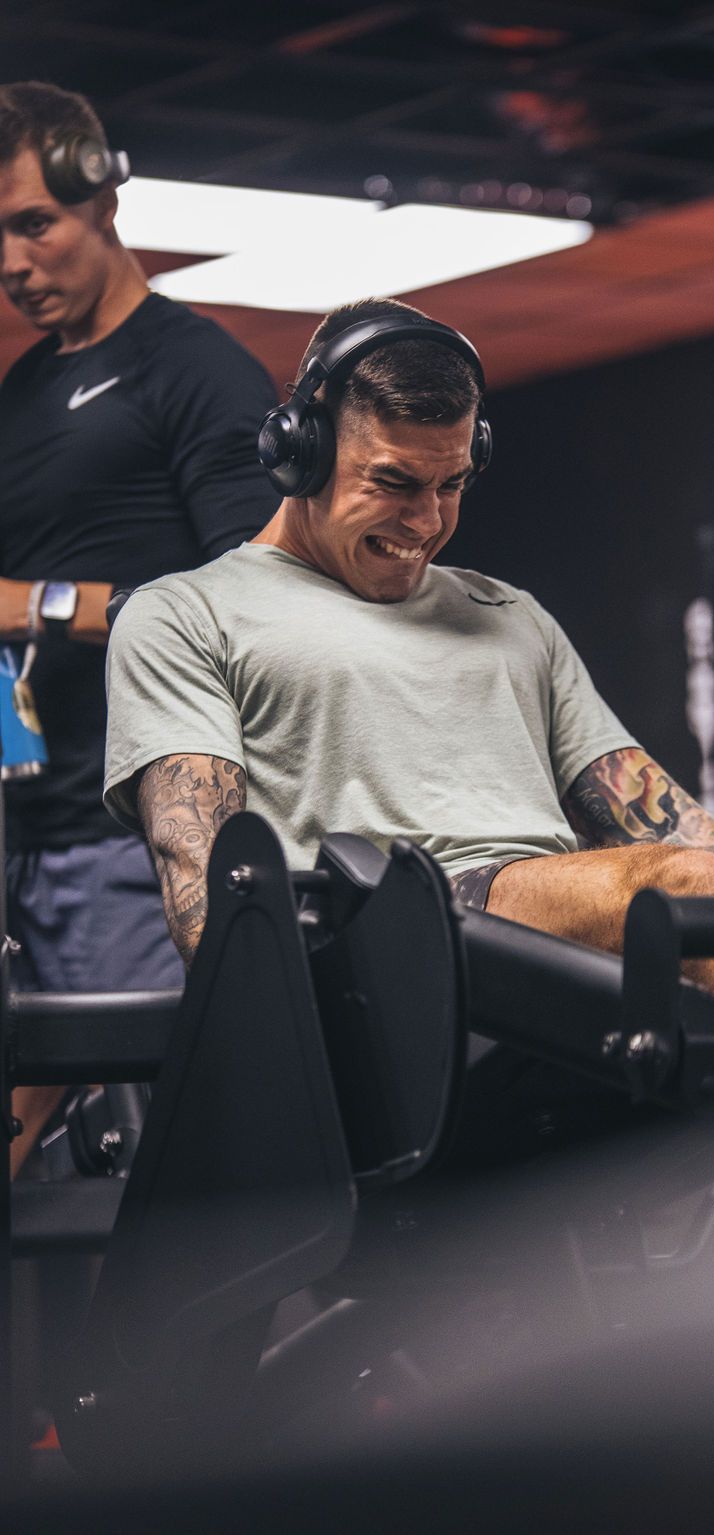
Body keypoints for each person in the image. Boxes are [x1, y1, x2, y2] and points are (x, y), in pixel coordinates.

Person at [103, 297, 714, 1126]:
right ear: (297, 449)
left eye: (451, 483)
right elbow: (214, 916)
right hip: (386, 958)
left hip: (557, 966)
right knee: (677, 890)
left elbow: (676, 826)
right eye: (392, 482)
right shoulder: (184, 614)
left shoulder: (506, 614)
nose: (425, 519)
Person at [0, 81, 279, 1173]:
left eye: (35, 224)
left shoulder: (194, 371)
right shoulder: (22, 396)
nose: (16, 263)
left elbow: (254, 610)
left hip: (136, 843)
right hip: (30, 844)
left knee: (139, 1183)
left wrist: (41, 604)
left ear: (105, 204)